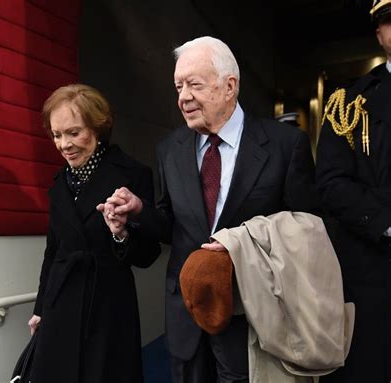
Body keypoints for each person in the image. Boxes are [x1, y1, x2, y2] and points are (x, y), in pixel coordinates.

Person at [99, 36, 318, 383]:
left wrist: (243, 243)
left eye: (194, 85)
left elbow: (306, 231)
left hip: (252, 316)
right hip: (187, 316)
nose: (183, 97)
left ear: (229, 86)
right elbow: (172, 225)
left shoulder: (284, 146)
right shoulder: (171, 148)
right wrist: (139, 212)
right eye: (178, 86)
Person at [27, 84, 161, 382]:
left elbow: (149, 253)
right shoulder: (60, 183)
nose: (64, 144)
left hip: (109, 306)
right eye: (57, 135)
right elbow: (53, 252)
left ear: (98, 128)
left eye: (74, 133)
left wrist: (121, 233)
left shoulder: (132, 174)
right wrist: (41, 308)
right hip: (62, 302)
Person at [316, 1, 391, 381]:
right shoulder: (349, 103)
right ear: (379, 34)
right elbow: (331, 182)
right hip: (374, 271)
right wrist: (386, 224)